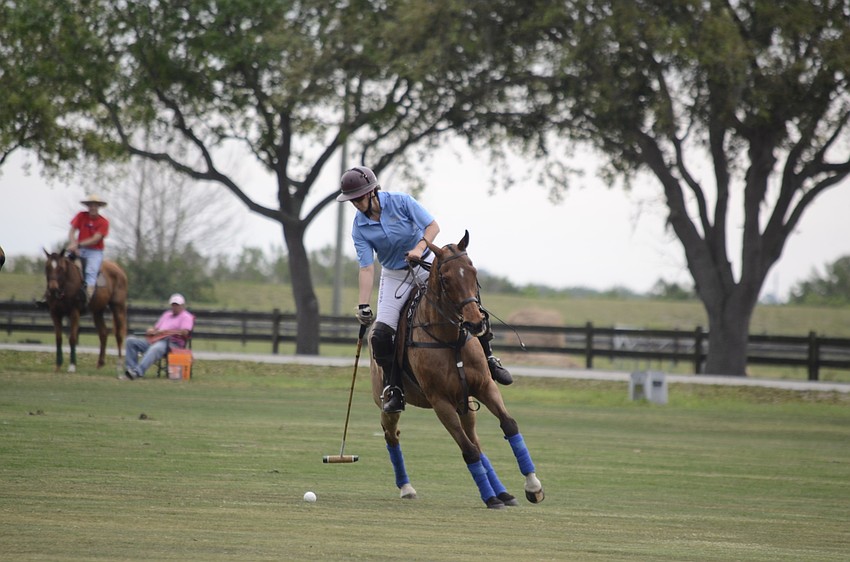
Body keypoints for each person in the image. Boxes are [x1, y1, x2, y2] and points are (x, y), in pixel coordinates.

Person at [337, 165, 512, 414]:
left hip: (427, 262)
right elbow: (366, 268)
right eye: (351, 200)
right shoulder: (359, 228)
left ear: (373, 191)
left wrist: (419, 249)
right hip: (394, 276)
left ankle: (489, 359)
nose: (355, 203)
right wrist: (363, 304)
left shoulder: (401, 202)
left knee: (469, 303)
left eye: (359, 197)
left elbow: (432, 226)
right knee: (381, 336)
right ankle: (394, 388)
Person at [121, 293, 195, 380]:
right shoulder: (166, 315)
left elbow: (185, 332)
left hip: (172, 344)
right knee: (130, 341)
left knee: (155, 348)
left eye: (177, 305)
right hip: (156, 339)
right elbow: (156, 328)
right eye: (173, 304)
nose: (175, 307)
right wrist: (151, 330)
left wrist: (168, 332)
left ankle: (137, 372)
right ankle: (131, 370)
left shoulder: (186, 317)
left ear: (182, 305)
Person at [67, 194, 110, 310]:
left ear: (99, 207)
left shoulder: (103, 222)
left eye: (95, 205)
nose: (93, 208)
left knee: (91, 271)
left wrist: (78, 244)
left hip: (95, 251)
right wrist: (73, 244)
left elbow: (96, 239)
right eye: (90, 205)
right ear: (87, 206)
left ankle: (87, 297)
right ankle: (52, 296)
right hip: (79, 248)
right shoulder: (81, 216)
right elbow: (72, 231)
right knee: (62, 266)